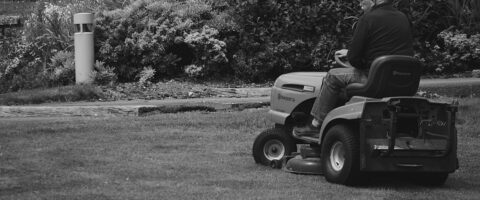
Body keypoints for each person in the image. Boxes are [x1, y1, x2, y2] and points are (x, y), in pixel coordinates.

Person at [293, 0, 414, 137]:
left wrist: (353, 56)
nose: (361, 3)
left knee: (333, 76)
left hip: (375, 80)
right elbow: (388, 47)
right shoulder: (403, 18)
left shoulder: (367, 19)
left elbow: (354, 59)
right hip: (403, 80)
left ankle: (316, 124)